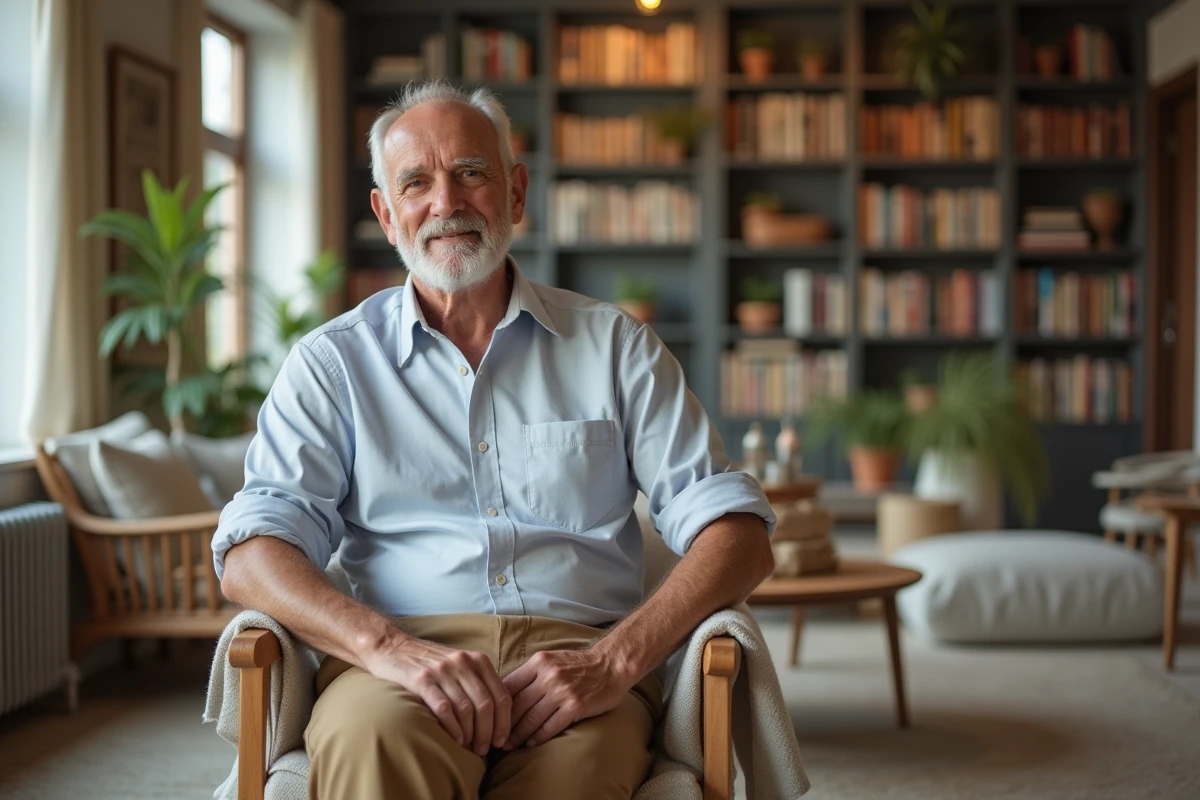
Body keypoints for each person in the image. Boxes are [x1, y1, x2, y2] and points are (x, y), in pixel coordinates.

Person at [213, 79, 776, 800]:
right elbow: (251, 554)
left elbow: (739, 533)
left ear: (514, 193)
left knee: (572, 779)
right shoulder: (333, 364)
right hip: (397, 663)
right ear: (387, 215)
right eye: (416, 182)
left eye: (470, 173)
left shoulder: (614, 347)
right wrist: (386, 648)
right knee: (372, 746)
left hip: (577, 662)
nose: (445, 203)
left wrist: (614, 662)